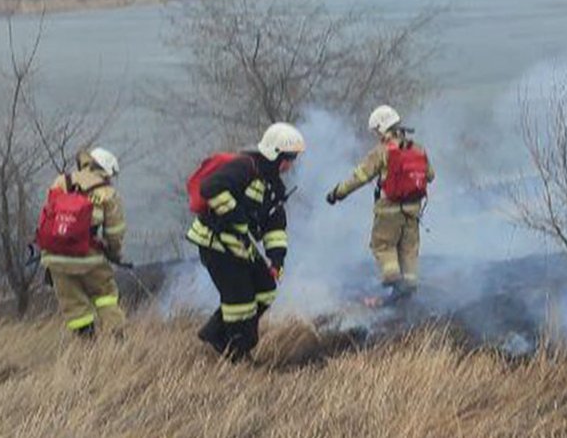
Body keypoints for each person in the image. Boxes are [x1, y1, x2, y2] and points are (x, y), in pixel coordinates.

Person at [186, 122, 304, 361]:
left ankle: (215, 332)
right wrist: (236, 218)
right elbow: (211, 188)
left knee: (266, 289)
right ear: (274, 153)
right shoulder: (244, 166)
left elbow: (275, 227)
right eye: (289, 158)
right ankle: (238, 353)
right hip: (215, 244)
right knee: (240, 302)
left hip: (239, 246)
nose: (290, 165)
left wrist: (277, 259)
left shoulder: (274, 185)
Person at [326, 105, 434, 300]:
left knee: (383, 246)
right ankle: (409, 287)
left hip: (388, 210)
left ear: (382, 128)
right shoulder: (418, 149)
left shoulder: (382, 152)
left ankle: (394, 281)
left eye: (376, 131)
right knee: (409, 248)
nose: (376, 135)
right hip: (413, 210)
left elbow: (359, 177)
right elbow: (431, 176)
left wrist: (337, 193)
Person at [41, 147, 127, 337]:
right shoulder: (108, 193)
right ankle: (119, 343)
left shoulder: (61, 181)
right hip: (89, 258)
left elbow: (48, 217)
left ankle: (87, 348)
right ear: (106, 171)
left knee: (74, 307)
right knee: (105, 297)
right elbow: (114, 231)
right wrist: (114, 253)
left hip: (55, 257)